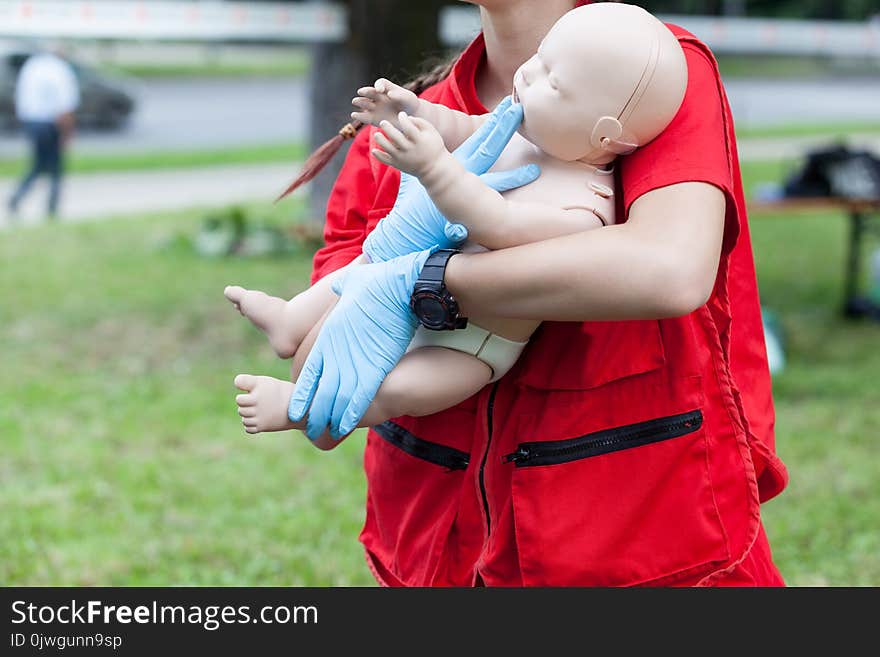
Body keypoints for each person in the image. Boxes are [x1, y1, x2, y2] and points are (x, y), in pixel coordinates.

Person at [245, 0, 790, 586]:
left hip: (638, 549)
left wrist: (422, 280)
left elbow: (666, 272)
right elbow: (319, 359)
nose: (537, 81)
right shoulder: (409, 126)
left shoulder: (649, 71)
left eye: (554, 77)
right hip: (435, 548)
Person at [226, 3, 688, 440]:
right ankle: (291, 319)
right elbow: (462, 127)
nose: (528, 74)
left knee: (409, 389)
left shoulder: (586, 209)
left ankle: (296, 408)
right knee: (367, 267)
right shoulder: (526, 132)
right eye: (540, 59)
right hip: (423, 280)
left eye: (553, 82)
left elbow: (496, 224)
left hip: (476, 342)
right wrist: (414, 113)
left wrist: (435, 170)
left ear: (603, 133)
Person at [6, 44, 79, 221]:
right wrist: (67, 134)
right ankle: (51, 209)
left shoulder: (32, 66)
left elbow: (21, 97)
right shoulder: (60, 70)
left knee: (38, 163)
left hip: (31, 121)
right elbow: (65, 106)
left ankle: (18, 197)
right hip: (51, 122)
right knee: (55, 167)